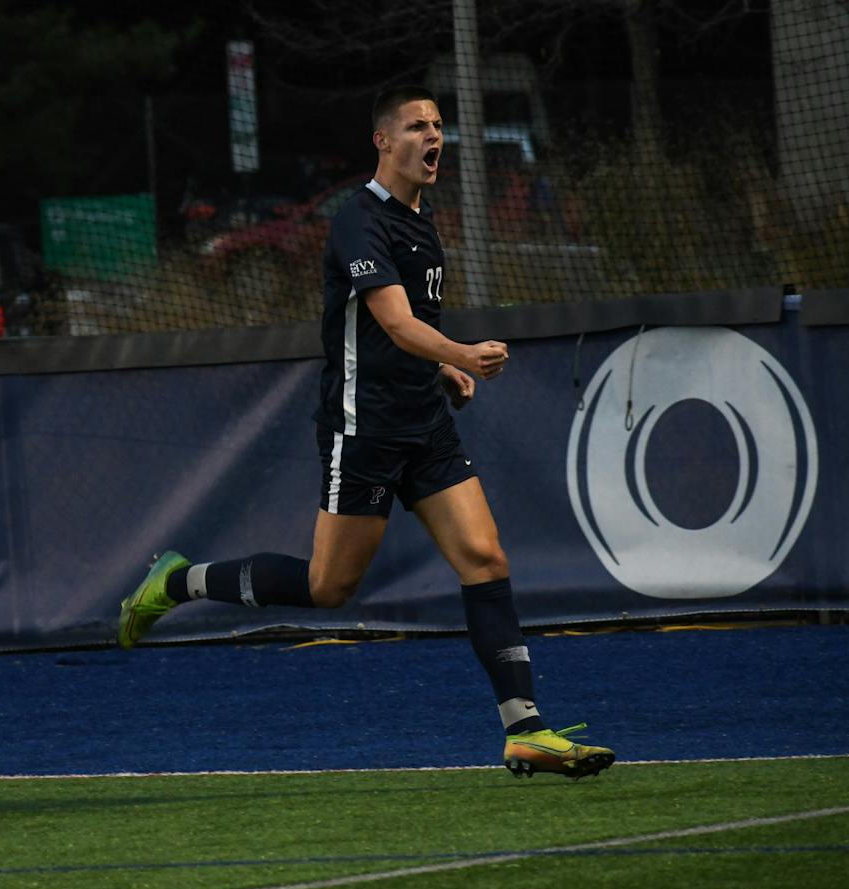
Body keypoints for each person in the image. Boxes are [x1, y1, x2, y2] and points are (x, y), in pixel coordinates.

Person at [118, 86, 614, 781]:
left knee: (486, 559)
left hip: (425, 423)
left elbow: (402, 333)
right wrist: (460, 354)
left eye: (439, 125)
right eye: (416, 125)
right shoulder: (358, 221)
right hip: (366, 430)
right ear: (382, 141)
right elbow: (394, 322)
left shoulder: (423, 221)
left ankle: (524, 729)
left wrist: (441, 375)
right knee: (328, 588)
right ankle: (179, 583)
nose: (432, 136)